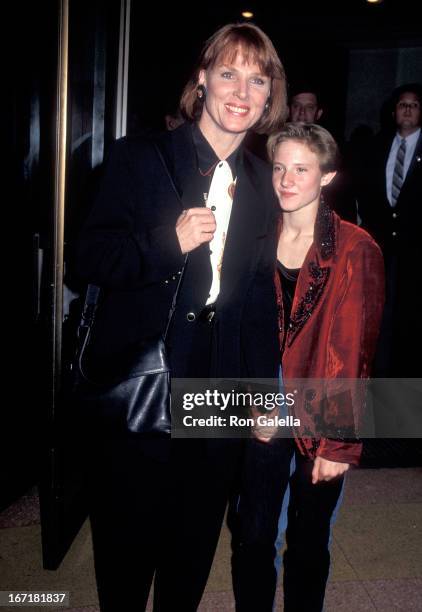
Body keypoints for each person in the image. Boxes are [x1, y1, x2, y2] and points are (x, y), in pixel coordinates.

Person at [74, 22, 288, 611]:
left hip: (218, 395)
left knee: (190, 557)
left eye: (257, 79)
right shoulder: (140, 158)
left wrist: (265, 393)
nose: (242, 91)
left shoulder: (261, 187)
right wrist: (163, 243)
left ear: (270, 97)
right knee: (125, 555)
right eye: (228, 73)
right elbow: (86, 257)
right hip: (142, 387)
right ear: (201, 80)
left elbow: (255, 305)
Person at [232, 123, 384, 612]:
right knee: (252, 533)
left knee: (309, 534)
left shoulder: (355, 247)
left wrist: (338, 443)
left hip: (325, 394)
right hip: (264, 394)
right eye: (279, 167)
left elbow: (354, 348)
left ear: (328, 176)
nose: (286, 179)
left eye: (301, 168)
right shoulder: (257, 232)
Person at [357, 82, 422, 378]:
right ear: (393, 111)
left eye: (414, 104)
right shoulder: (375, 146)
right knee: (378, 311)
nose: (407, 109)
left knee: (409, 317)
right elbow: (366, 193)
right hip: (380, 247)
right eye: (402, 104)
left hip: (415, 249)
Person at [288, 81, 358, 224]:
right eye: (297, 106)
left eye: (309, 107)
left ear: (318, 113)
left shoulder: (334, 151)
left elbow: (344, 200)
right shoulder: (273, 145)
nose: (302, 113)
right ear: (289, 109)